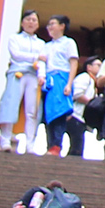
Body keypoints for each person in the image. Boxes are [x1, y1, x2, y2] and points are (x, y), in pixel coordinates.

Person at [0, 9, 48, 154]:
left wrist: (42, 74)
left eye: (34, 20)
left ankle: (30, 144)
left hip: (33, 76)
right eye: (28, 19)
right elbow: (16, 55)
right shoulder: (14, 38)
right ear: (22, 22)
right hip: (17, 73)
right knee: (11, 105)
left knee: (32, 111)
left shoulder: (41, 43)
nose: (31, 22)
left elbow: (43, 61)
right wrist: (36, 57)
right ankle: (6, 139)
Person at [39, 15, 75, 155]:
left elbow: (73, 63)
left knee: (59, 113)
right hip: (48, 80)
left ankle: (56, 144)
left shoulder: (68, 43)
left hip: (62, 79)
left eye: (53, 23)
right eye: (49, 24)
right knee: (48, 113)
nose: (50, 27)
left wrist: (69, 84)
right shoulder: (46, 46)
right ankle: (50, 144)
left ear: (62, 26)